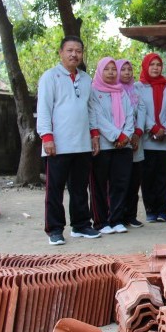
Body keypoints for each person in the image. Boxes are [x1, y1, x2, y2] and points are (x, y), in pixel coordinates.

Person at [37, 36, 101, 245]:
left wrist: (94, 135)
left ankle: (81, 225)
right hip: (57, 145)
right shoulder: (50, 77)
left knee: (80, 188)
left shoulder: (85, 79)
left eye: (78, 51)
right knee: (54, 190)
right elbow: (44, 109)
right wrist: (47, 137)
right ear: (61, 52)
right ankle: (55, 230)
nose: (74, 54)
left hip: (82, 143)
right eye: (70, 50)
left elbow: (91, 109)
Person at [89, 57, 135, 235]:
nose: (111, 72)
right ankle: (100, 221)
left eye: (113, 69)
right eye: (107, 69)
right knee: (99, 185)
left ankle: (116, 219)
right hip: (104, 144)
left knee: (120, 183)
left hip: (123, 145)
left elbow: (129, 115)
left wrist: (126, 136)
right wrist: (117, 135)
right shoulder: (94, 91)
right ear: (100, 71)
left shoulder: (121, 91)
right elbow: (97, 117)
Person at [135, 53, 166, 223]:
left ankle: (162, 210)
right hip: (147, 139)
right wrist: (153, 127)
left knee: (164, 177)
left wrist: (163, 129)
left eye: (158, 64)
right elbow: (139, 110)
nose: (155, 68)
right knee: (148, 177)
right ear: (145, 66)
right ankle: (150, 209)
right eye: (152, 64)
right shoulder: (138, 87)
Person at [116, 59, 146, 229]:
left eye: (129, 69)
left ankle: (131, 215)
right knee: (121, 181)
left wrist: (137, 133)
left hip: (136, 140)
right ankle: (118, 216)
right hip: (119, 141)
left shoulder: (136, 91)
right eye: (123, 69)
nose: (127, 72)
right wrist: (125, 135)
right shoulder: (114, 90)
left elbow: (142, 111)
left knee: (135, 179)